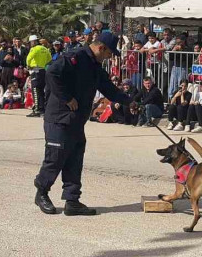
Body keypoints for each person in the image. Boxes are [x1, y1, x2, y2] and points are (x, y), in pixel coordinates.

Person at [34, 32, 135, 216]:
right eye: (109, 53)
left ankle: (72, 200)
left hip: (76, 120)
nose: (110, 57)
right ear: (101, 47)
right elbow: (51, 72)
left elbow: (109, 89)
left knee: (74, 158)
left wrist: (130, 102)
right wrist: (67, 98)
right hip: (59, 117)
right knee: (55, 157)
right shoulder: (75, 57)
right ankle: (41, 192)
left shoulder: (95, 66)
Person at [26, 35, 51, 117]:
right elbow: (49, 59)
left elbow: (29, 58)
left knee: (35, 90)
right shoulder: (45, 49)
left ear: (33, 41)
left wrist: (28, 65)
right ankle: (42, 108)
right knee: (41, 90)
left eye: (30, 42)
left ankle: (37, 110)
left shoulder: (34, 49)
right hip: (43, 70)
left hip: (35, 70)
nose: (30, 44)